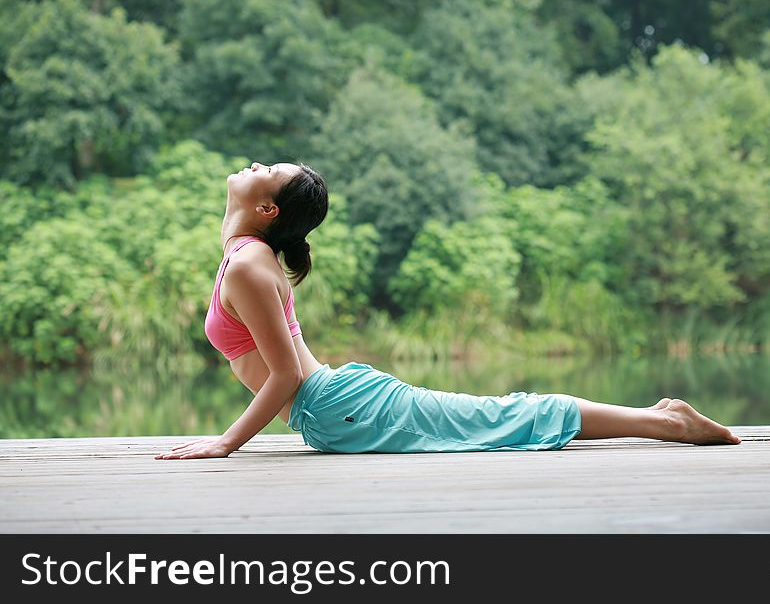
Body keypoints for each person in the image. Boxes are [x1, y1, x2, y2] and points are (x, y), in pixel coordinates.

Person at [155, 162, 740, 460]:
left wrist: (225, 444)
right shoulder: (246, 252)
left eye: (266, 172)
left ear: (266, 209)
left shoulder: (252, 263)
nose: (254, 164)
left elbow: (283, 374)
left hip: (342, 411)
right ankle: (656, 415)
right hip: (338, 410)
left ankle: (668, 424)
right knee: (493, 417)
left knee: (500, 420)